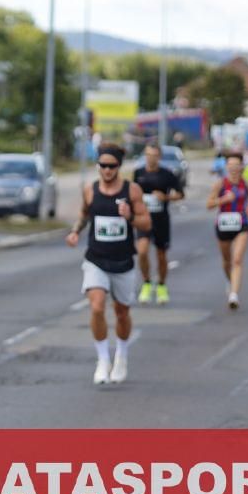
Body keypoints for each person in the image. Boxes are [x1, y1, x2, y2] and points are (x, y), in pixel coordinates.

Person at [66, 143, 151, 385]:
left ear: (119, 166)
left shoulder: (131, 190)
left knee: (122, 313)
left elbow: (146, 224)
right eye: (102, 165)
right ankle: (103, 359)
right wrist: (75, 231)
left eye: (111, 166)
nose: (107, 170)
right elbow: (84, 214)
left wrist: (130, 216)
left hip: (123, 261)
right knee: (96, 307)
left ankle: (121, 356)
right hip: (96, 259)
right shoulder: (90, 190)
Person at [133, 143, 184, 305]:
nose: (151, 159)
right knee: (142, 251)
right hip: (143, 220)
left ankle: (161, 285)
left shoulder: (167, 174)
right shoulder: (138, 173)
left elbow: (180, 194)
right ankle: (147, 283)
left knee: (161, 255)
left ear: (159, 157)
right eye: (148, 155)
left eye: (154, 156)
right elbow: (132, 193)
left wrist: (166, 197)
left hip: (161, 220)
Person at [207, 151, 248, 309]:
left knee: (237, 260)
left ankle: (234, 295)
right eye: (230, 165)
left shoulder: (246, 184)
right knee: (227, 261)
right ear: (226, 167)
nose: (233, 168)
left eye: (236, 165)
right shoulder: (220, 184)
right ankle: (230, 280)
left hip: (241, 224)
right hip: (224, 225)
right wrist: (223, 199)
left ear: (241, 167)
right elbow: (209, 204)